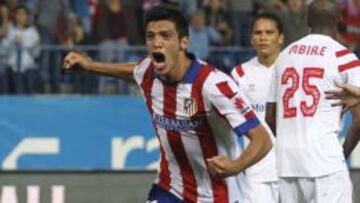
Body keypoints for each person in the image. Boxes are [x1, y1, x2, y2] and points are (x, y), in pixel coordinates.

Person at [63, 5, 272, 203]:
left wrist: (235, 166)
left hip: (217, 196)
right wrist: (90, 66)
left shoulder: (214, 86)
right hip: (170, 189)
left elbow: (262, 140)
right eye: (150, 36)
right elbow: (133, 71)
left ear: (184, 42)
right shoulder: (148, 72)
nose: (156, 43)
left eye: (165, 35)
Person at [265, 0, 360, 202]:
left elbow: (270, 116)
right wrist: (341, 153)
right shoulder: (345, 57)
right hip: (325, 162)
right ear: (339, 19)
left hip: (286, 163)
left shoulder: (284, 55)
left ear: (307, 19)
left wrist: (290, 143)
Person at [231, 12, 284, 203]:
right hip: (256, 170)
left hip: (291, 166)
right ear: (251, 38)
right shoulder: (239, 74)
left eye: (269, 32)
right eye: (258, 32)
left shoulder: (293, 69)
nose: (263, 37)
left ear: (280, 38)